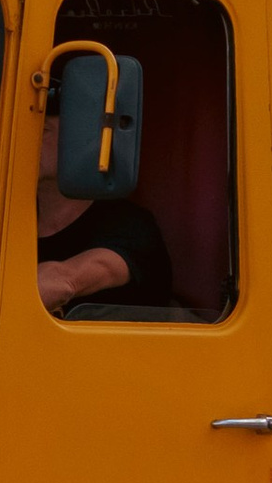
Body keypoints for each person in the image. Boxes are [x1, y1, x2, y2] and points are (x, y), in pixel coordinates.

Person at [34, 77, 174, 315]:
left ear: (79, 143)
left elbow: (64, 281)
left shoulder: (131, 227)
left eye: (44, 130)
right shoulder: (5, 223)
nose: (25, 142)